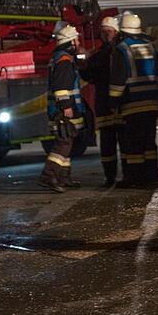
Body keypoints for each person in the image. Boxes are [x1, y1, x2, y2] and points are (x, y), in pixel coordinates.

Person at [109, 12, 158, 187]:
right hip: (151, 102)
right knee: (149, 142)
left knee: (134, 143)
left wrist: (113, 101)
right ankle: (152, 174)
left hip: (132, 103)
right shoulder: (150, 46)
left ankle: (134, 176)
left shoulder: (122, 49)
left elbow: (118, 79)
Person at [38, 23, 87, 192]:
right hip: (63, 111)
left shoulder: (59, 57)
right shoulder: (64, 60)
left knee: (67, 143)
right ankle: (47, 176)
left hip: (59, 109)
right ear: (71, 42)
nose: (78, 43)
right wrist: (66, 107)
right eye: (76, 40)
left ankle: (63, 178)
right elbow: (61, 87)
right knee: (63, 144)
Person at [80, 15, 122, 186]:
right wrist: (82, 64)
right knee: (107, 142)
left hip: (121, 103)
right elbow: (88, 76)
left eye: (109, 31)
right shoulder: (98, 54)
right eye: (103, 32)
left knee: (127, 141)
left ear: (116, 32)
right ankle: (110, 176)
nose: (106, 35)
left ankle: (130, 175)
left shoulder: (121, 51)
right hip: (104, 103)